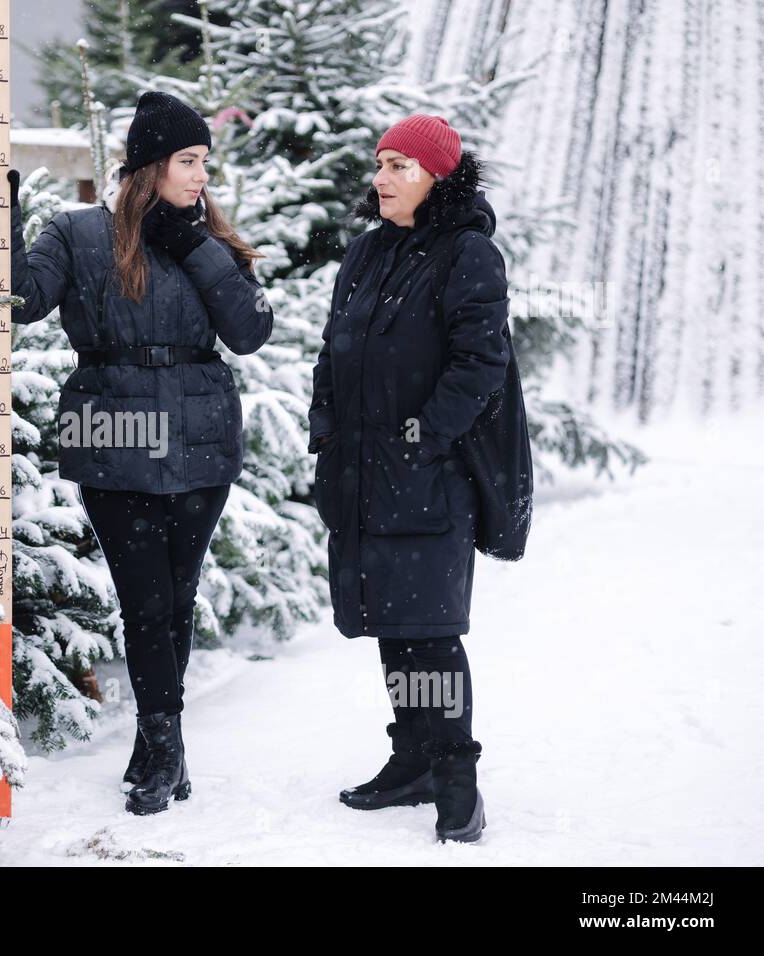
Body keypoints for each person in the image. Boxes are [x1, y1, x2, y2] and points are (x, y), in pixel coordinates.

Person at [0, 91, 273, 815]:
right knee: (144, 599)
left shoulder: (214, 242)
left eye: (205, 160)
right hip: (112, 437)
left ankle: (157, 743)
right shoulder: (79, 235)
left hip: (201, 439)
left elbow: (250, 330)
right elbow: (19, 297)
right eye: (188, 160)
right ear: (148, 166)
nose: (201, 175)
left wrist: (196, 246)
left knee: (175, 598)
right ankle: (165, 747)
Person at [307, 114, 510, 843]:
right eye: (381, 163)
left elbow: (478, 366)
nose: (382, 178)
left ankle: (457, 776)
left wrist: (421, 439)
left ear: (438, 177)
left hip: (426, 475)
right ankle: (413, 759)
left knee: (430, 629)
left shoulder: (467, 256)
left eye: (401, 166)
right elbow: (333, 352)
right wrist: (325, 429)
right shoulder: (364, 254)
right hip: (362, 473)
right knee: (394, 623)